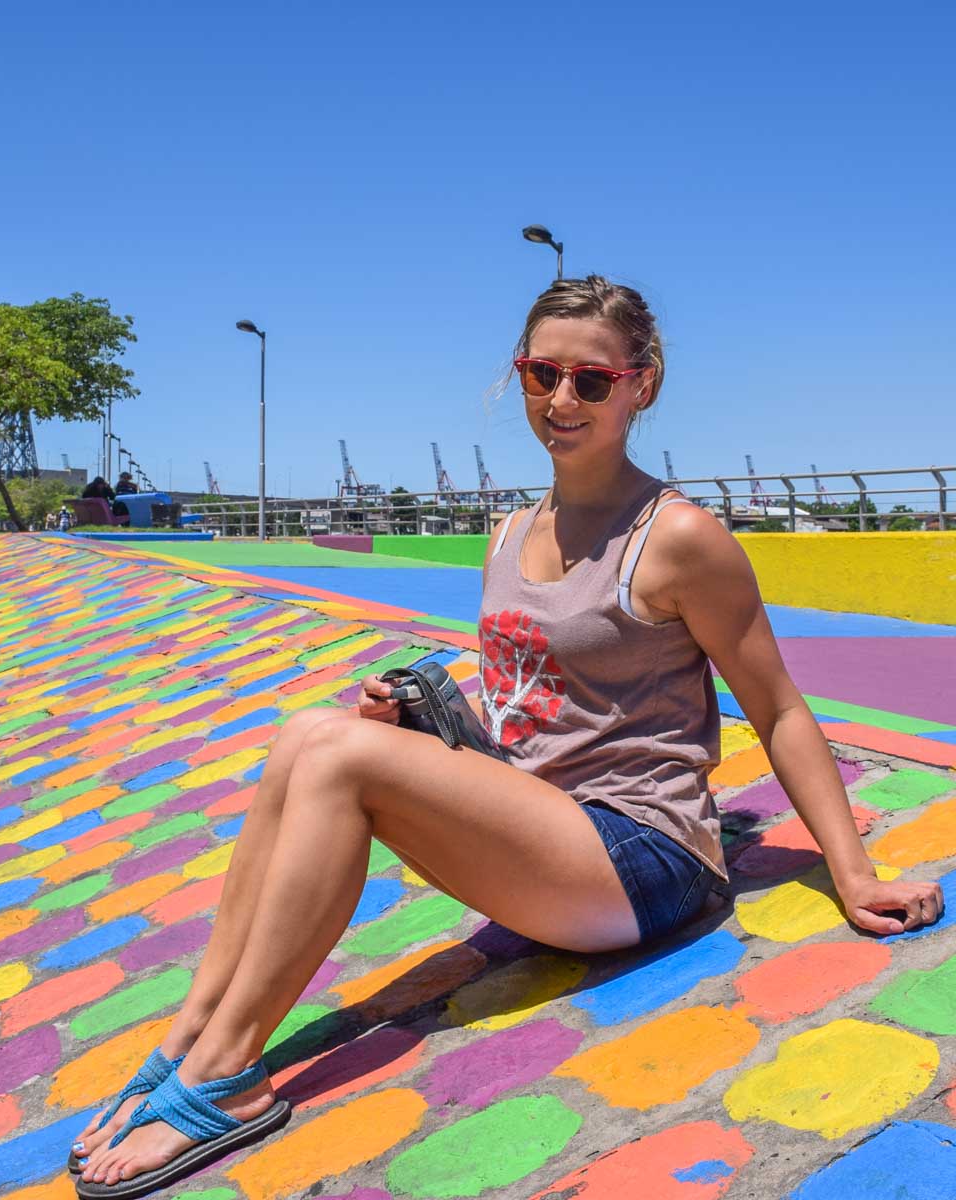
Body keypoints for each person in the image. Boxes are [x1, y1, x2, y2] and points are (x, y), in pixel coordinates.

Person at [71, 276, 944, 1195]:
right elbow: (529, 712)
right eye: (541, 374)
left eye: (590, 382)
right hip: (546, 828)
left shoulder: (677, 536)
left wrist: (855, 875)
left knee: (337, 756)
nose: (560, 401)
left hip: (643, 855)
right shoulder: (508, 530)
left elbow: (779, 709)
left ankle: (232, 1074)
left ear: (640, 386)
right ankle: (193, 1037)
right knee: (307, 735)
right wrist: (422, 721)